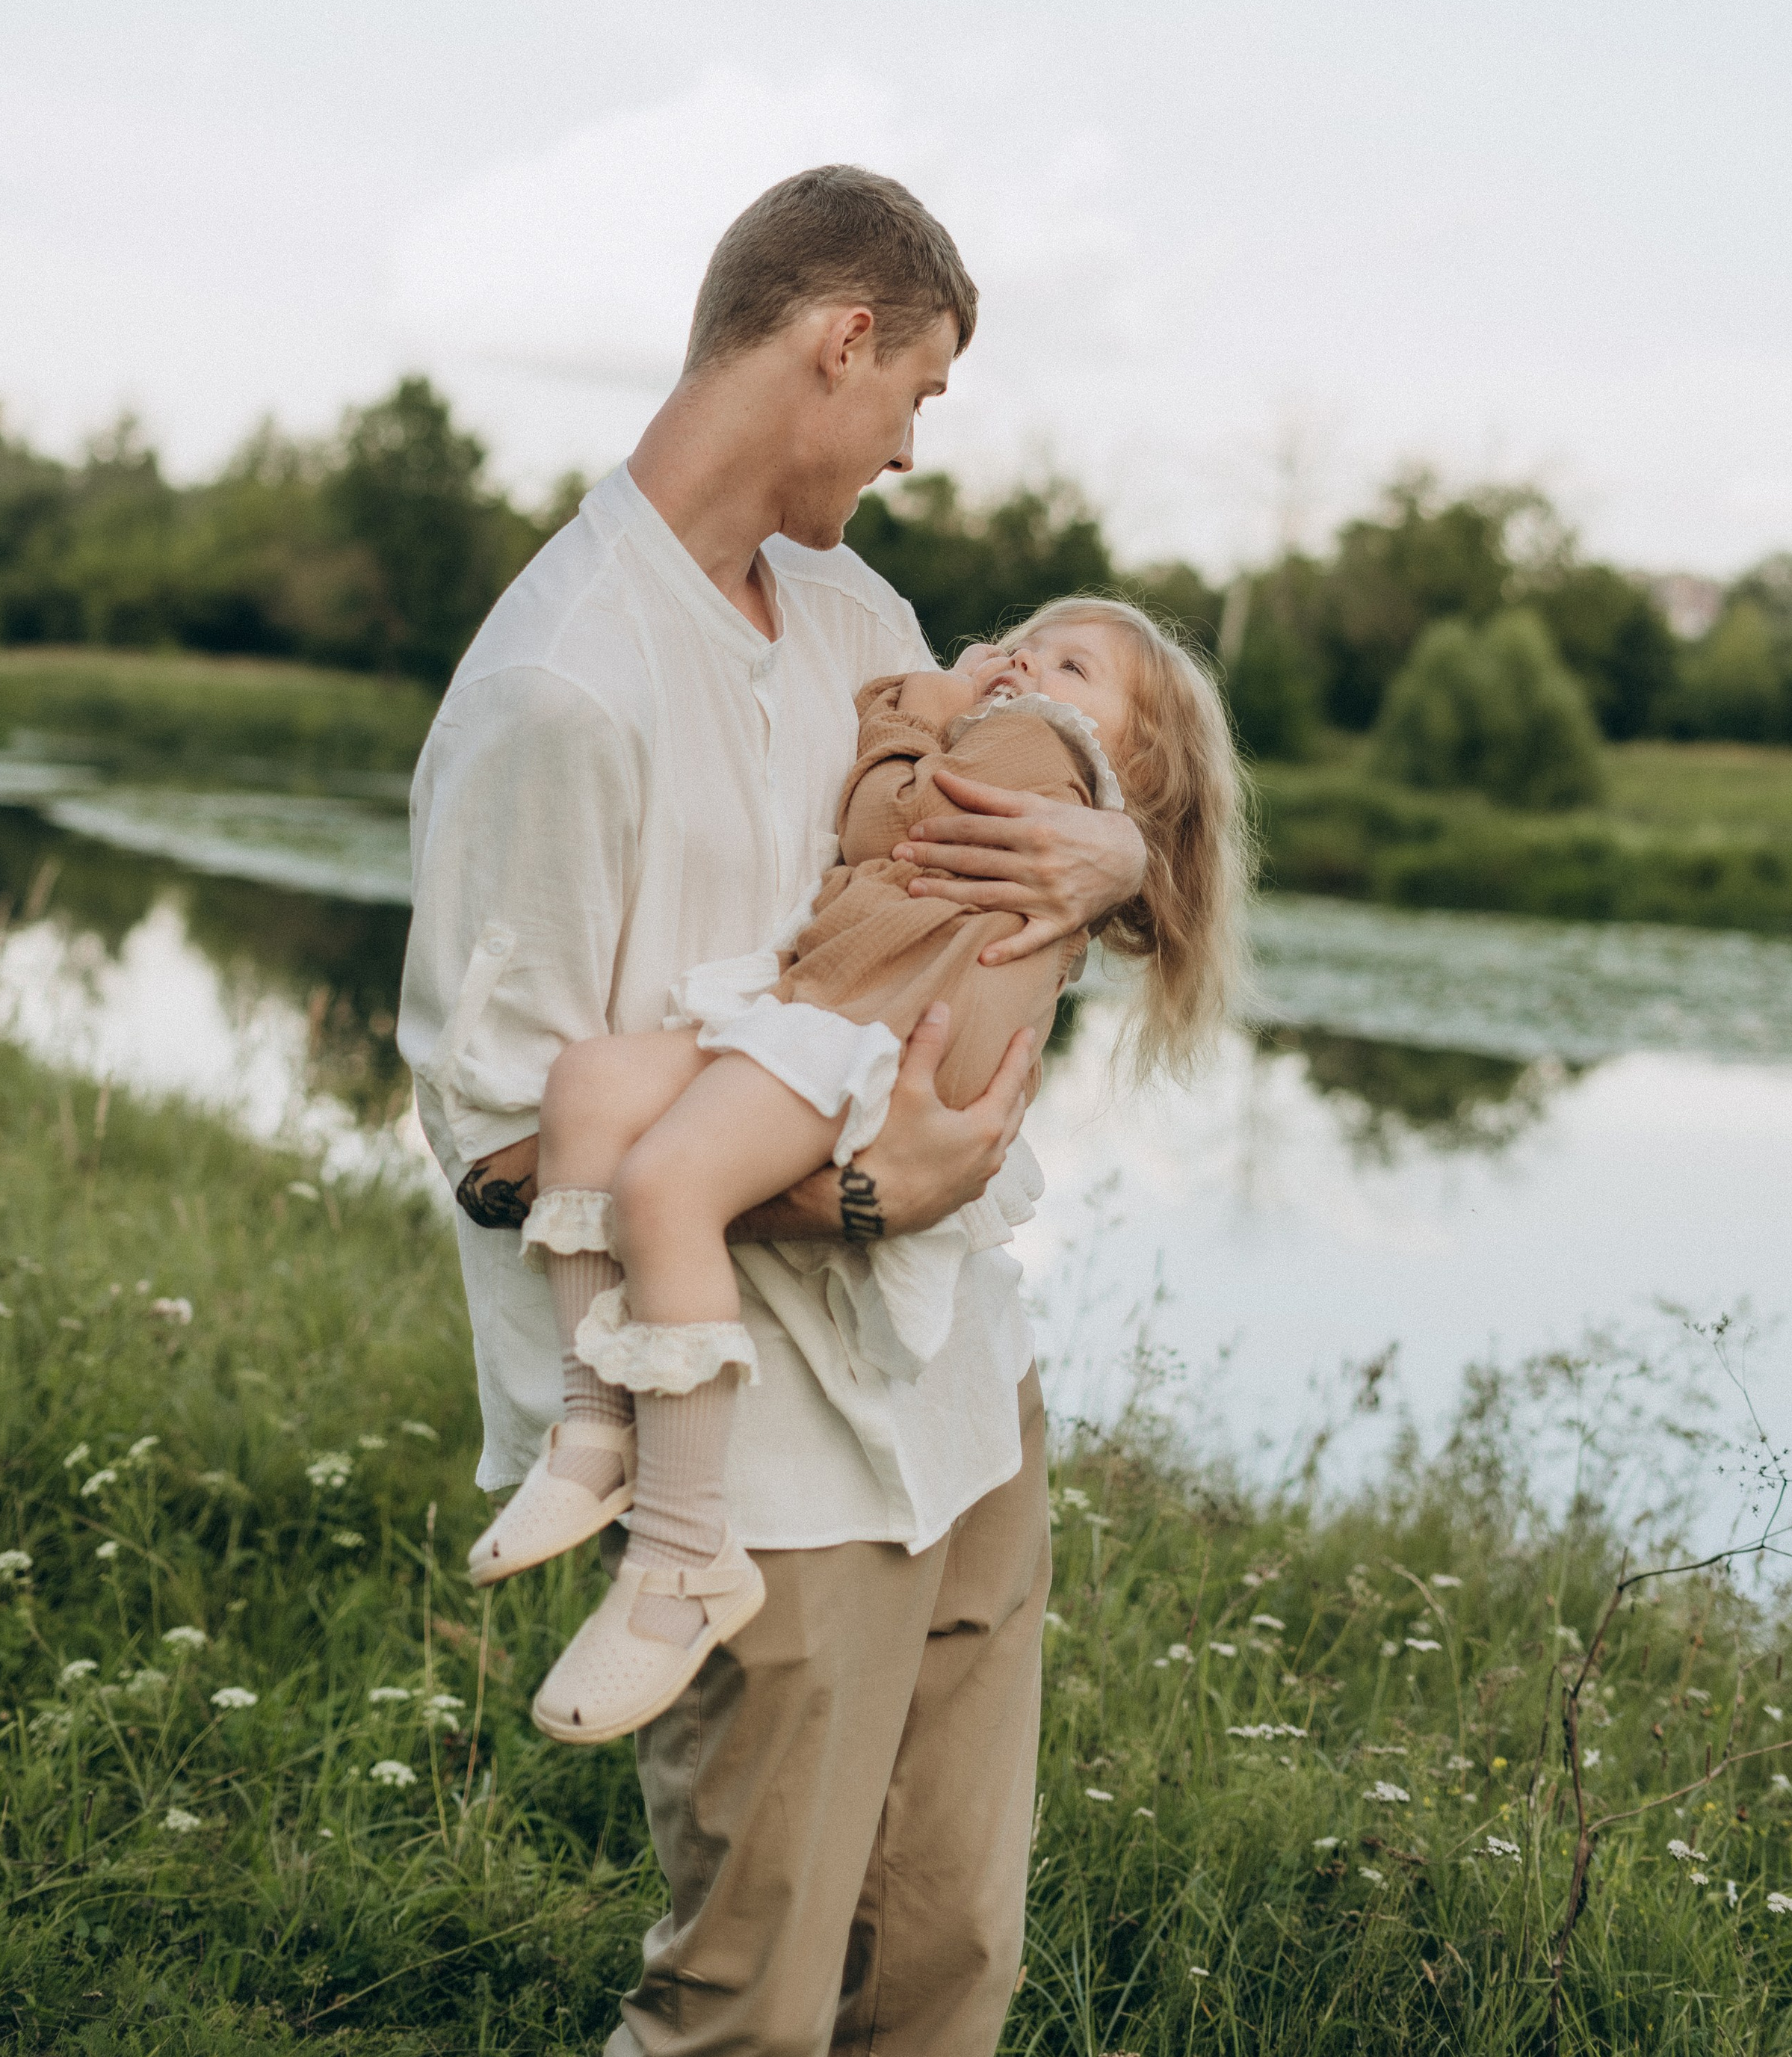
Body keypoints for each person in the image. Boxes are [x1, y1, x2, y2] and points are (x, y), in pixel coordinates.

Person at [399, 164, 1153, 2057]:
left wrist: (1124, 861)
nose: (914, 447)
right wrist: (858, 1185)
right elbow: (495, 1134)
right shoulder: (563, 685)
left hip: (959, 1397)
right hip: (760, 1460)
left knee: (943, 1967)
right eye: (916, 395)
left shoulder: (858, 613)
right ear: (843, 339)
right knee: (747, 2016)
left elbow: (973, 888)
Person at [465, 601, 1244, 1748]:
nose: (1028, 660)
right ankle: (596, 1426)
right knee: (588, 1088)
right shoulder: (1048, 751)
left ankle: (684, 1554)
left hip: (869, 1039)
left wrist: (907, 709)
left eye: (1072, 664)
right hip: (825, 1005)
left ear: (1129, 753)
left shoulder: (1038, 747)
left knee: (666, 1188)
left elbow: (893, 821)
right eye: (1029, 639)